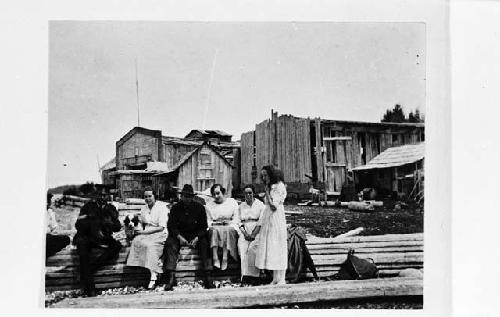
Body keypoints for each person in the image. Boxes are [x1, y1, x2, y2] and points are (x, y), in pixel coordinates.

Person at [161, 184, 214, 290]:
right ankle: (171, 277)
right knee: (170, 244)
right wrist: (179, 237)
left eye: (189, 196)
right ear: (181, 197)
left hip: (195, 235)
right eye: (185, 196)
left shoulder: (200, 208)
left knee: (205, 243)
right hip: (180, 235)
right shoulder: (175, 208)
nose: (187, 199)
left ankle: (208, 276)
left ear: (193, 197)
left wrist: (197, 238)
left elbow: (204, 226)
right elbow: (171, 225)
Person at [73, 198, 122, 296]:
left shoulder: (111, 208)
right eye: (100, 194)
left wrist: (109, 223)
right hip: (87, 236)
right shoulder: (88, 206)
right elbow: (78, 225)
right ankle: (91, 289)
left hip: (102, 238)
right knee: (82, 246)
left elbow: (118, 227)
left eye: (105, 195)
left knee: (117, 246)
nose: (102, 197)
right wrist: (90, 219)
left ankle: (89, 270)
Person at [126, 187, 169, 289]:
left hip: (160, 232)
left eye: (150, 196)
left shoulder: (162, 207)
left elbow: (161, 227)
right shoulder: (144, 208)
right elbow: (142, 221)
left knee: (149, 246)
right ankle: (145, 270)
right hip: (147, 232)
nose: (148, 199)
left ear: (155, 196)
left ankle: (154, 275)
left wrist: (144, 232)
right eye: (145, 197)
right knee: (136, 241)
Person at [255, 165, 288, 285]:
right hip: (269, 217)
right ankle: (275, 278)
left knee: (278, 245)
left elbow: (274, 206)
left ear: (271, 175)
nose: (264, 177)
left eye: (266, 175)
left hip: (276, 217)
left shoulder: (279, 186)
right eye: (262, 175)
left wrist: (267, 192)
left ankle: (282, 278)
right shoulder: (270, 186)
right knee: (271, 246)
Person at [205, 184, 239, 270]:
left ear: (223, 192)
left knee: (227, 230)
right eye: (213, 194)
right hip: (215, 226)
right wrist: (214, 224)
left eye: (217, 193)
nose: (216, 196)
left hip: (229, 225)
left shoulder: (232, 202)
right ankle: (215, 257)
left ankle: (225, 257)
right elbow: (208, 220)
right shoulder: (209, 205)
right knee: (214, 231)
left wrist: (230, 223)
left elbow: (236, 218)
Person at [236, 184, 265, 284]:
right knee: (242, 249)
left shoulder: (260, 205)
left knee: (252, 249)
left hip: (257, 231)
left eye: (250, 193)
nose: (248, 195)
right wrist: (244, 233)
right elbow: (238, 221)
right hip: (245, 230)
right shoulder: (241, 206)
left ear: (253, 193)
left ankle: (254, 277)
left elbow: (261, 221)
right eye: (246, 193)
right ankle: (244, 277)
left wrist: (253, 234)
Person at [46, 193, 70, 258]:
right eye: (49, 200)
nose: (50, 202)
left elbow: (54, 227)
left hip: (48, 237)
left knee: (66, 239)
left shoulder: (49, 211)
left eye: (49, 200)